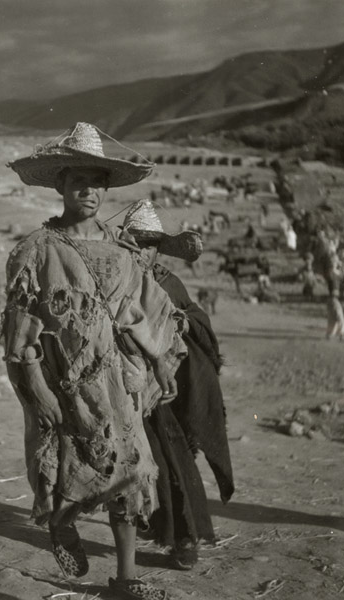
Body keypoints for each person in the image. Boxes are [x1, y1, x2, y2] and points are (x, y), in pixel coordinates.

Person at [3, 123, 188, 600]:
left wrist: (163, 363)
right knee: (68, 469)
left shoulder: (123, 253)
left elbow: (141, 314)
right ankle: (62, 522)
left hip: (116, 383)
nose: (89, 191)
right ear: (60, 184)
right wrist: (37, 392)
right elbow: (19, 335)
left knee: (129, 472)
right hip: (64, 383)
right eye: (79, 181)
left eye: (98, 182)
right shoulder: (36, 252)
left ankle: (125, 580)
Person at [120, 200, 234, 568]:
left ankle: (185, 538)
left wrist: (181, 323)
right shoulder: (113, 281)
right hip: (122, 386)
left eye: (150, 244)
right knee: (132, 463)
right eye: (136, 242)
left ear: (158, 250)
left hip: (165, 391)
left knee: (173, 460)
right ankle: (149, 533)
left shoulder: (168, 282)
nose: (143, 251)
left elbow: (197, 319)